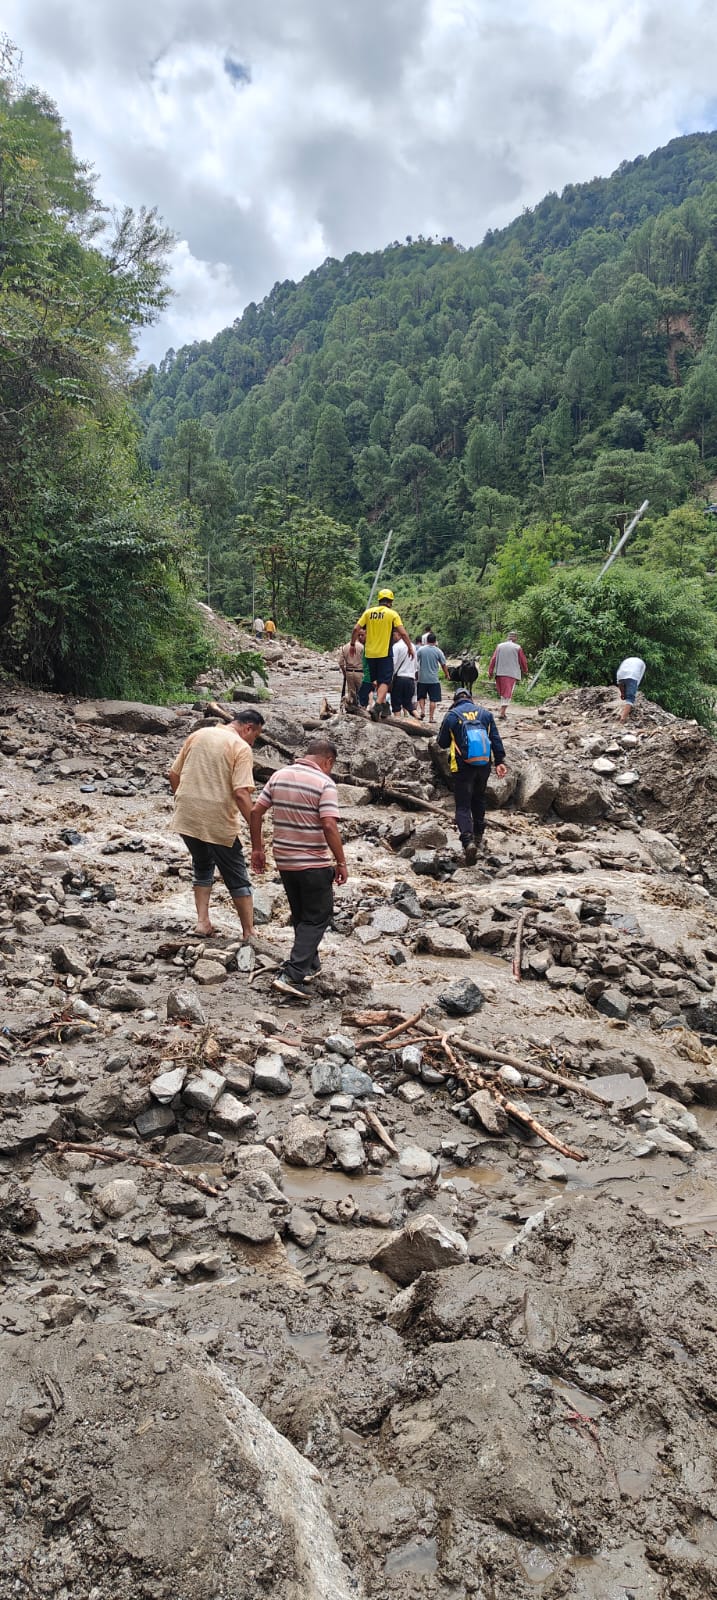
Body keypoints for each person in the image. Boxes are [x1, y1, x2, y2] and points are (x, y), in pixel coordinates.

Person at [250, 737, 348, 1001]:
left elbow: (256, 812)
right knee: (318, 917)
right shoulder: (324, 783)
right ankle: (292, 975)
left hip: (284, 860)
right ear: (328, 761)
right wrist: (341, 862)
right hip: (313, 862)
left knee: (302, 915)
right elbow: (329, 825)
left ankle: (310, 965)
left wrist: (257, 848)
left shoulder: (279, 776)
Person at [168, 709, 265, 937]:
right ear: (248, 728)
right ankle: (249, 932)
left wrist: (183, 801)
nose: (253, 742)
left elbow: (173, 774)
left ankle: (202, 923)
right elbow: (241, 793)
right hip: (217, 818)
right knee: (236, 874)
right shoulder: (240, 747)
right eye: (256, 736)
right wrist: (256, 834)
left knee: (202, 865)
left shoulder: (199, 734)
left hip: (187, 814)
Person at [437, 688, 507, 865]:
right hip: (483, 765)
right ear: (470, 699)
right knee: (479, 798)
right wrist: (500, 761)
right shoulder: (485, 714)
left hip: (462, 766)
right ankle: (478, 836)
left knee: (463, 805)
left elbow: (442, 743)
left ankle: (467, 841)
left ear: (455, 700)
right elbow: (495, 739)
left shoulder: (452, 716)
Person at [351, 589, 415, 721]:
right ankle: (378, 705)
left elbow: (356, 629)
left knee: (377, 681)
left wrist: (352, 644)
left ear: (379, 600)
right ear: (390, 602)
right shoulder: (392, 614)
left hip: (370, 653)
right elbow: (403, 633)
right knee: (385, 681)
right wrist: (409, 647)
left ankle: (384, 705)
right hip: (384, 653)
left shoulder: (368, 613)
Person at [488, 630, 528, 719]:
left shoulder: (499, 646)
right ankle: (502, 712)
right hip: (511, 674)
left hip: (499, 673)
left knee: (503, 693)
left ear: (507, 637)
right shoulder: (517, 648)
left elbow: (493, 659)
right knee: (508, 693)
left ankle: (503, 712)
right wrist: (525, 669)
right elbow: (523, 660)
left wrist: (490, 671)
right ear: (515, 638)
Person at [416, 632, 447, 723]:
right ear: (435, 641)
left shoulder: (421, 650)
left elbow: (415, 661)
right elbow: (443, 664)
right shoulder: (438, 651)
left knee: (421, 696)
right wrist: (447, 674)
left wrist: (416, 672)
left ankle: (422, 711)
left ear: (427, 640)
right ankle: (431, 718)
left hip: (422, 678)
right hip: (434, 679)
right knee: (433, 699)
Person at [390, 627, 418, 718]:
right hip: (411, 679)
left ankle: (398, 721)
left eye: (393, 635)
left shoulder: (396, 646)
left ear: (398, 634)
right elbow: (415, 664)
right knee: (408, 704)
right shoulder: (412, 646)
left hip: (399, 679)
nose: (393, 637)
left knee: (396, 704)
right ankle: (418, 717)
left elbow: (393, 664)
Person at [337, 630, 365, 711]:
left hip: (349, 672)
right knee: (362, 693)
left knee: (351, 694)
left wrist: (345, 673)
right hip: (360, 672)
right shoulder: (362, 647)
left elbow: (341, 663)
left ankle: (351, 710)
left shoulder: (345, 647)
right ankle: (362, 710)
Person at [616, 655, 646, 722]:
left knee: (621, 683)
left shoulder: (626, 660)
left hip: (620, 674)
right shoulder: (642, 663)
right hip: (633, 675)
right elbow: (639, 677)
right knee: (630, 698)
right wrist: (634, 688)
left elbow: (619, 681)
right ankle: (623, 718)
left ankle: (623, 696)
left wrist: (622, 693)